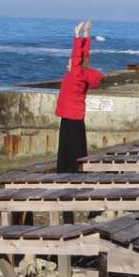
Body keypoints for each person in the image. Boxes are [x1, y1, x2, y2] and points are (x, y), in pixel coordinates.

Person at [56, 20, 104, 174]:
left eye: (69, 63)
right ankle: (76, 169)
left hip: (70, 115)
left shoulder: (76, 75)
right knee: (77, 146)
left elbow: (78, 55)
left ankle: (67, 170)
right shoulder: (82, 74)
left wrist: (77, 36)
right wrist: (86, 34)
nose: (67, 65)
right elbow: (84, 57)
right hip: (76, 115)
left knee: (68, 146)